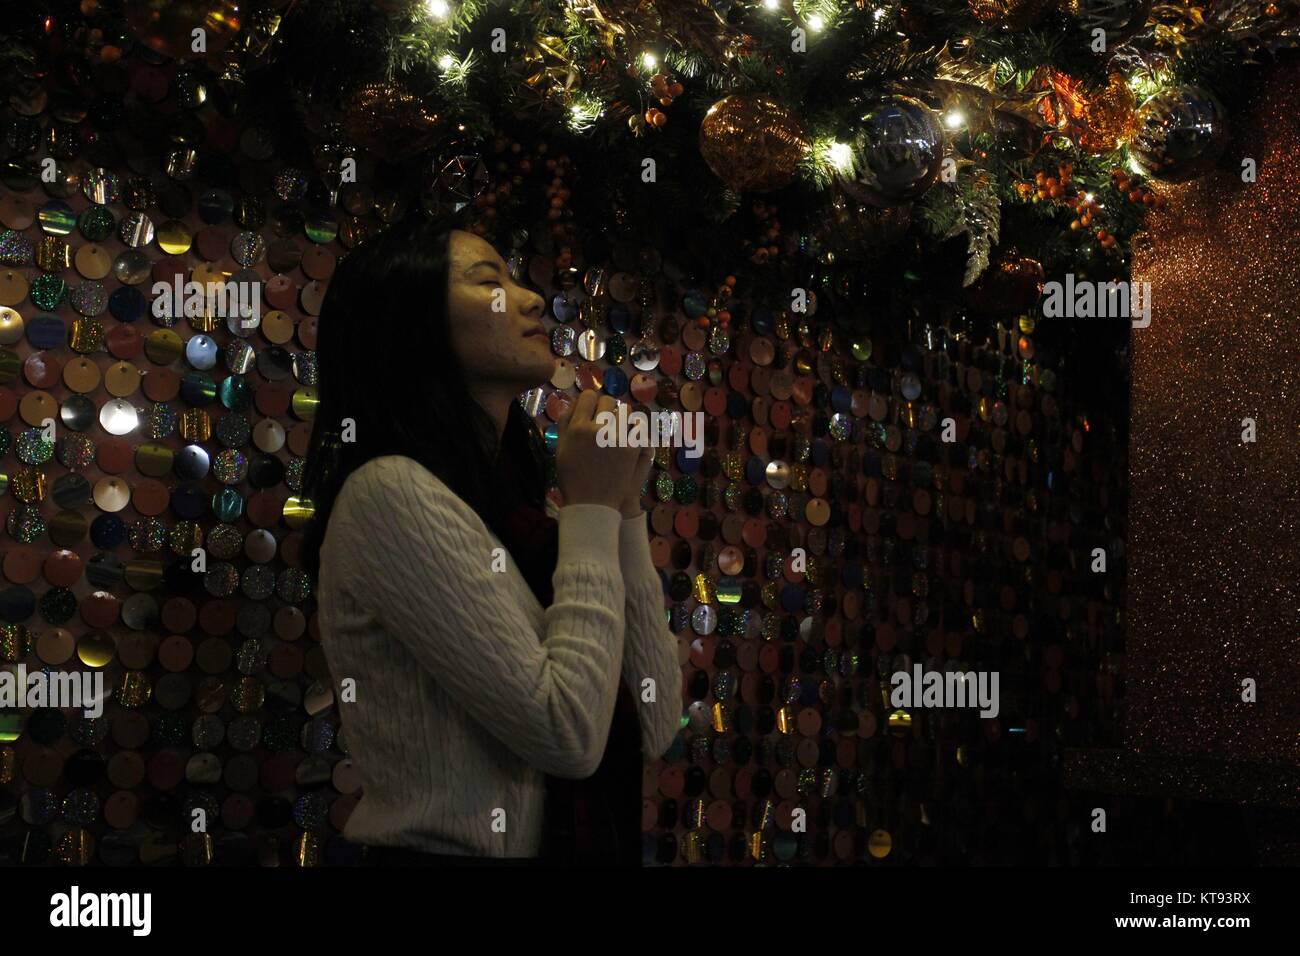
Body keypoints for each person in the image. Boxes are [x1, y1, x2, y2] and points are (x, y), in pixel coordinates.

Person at [300, 213, 682, 865]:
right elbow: (567, 734)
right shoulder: (389, 492)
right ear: (410, 321)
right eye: (488, 281)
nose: (532, 297)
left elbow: (652, 722)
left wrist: (620, 511)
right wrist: (589, 506)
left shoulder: (523, 519)